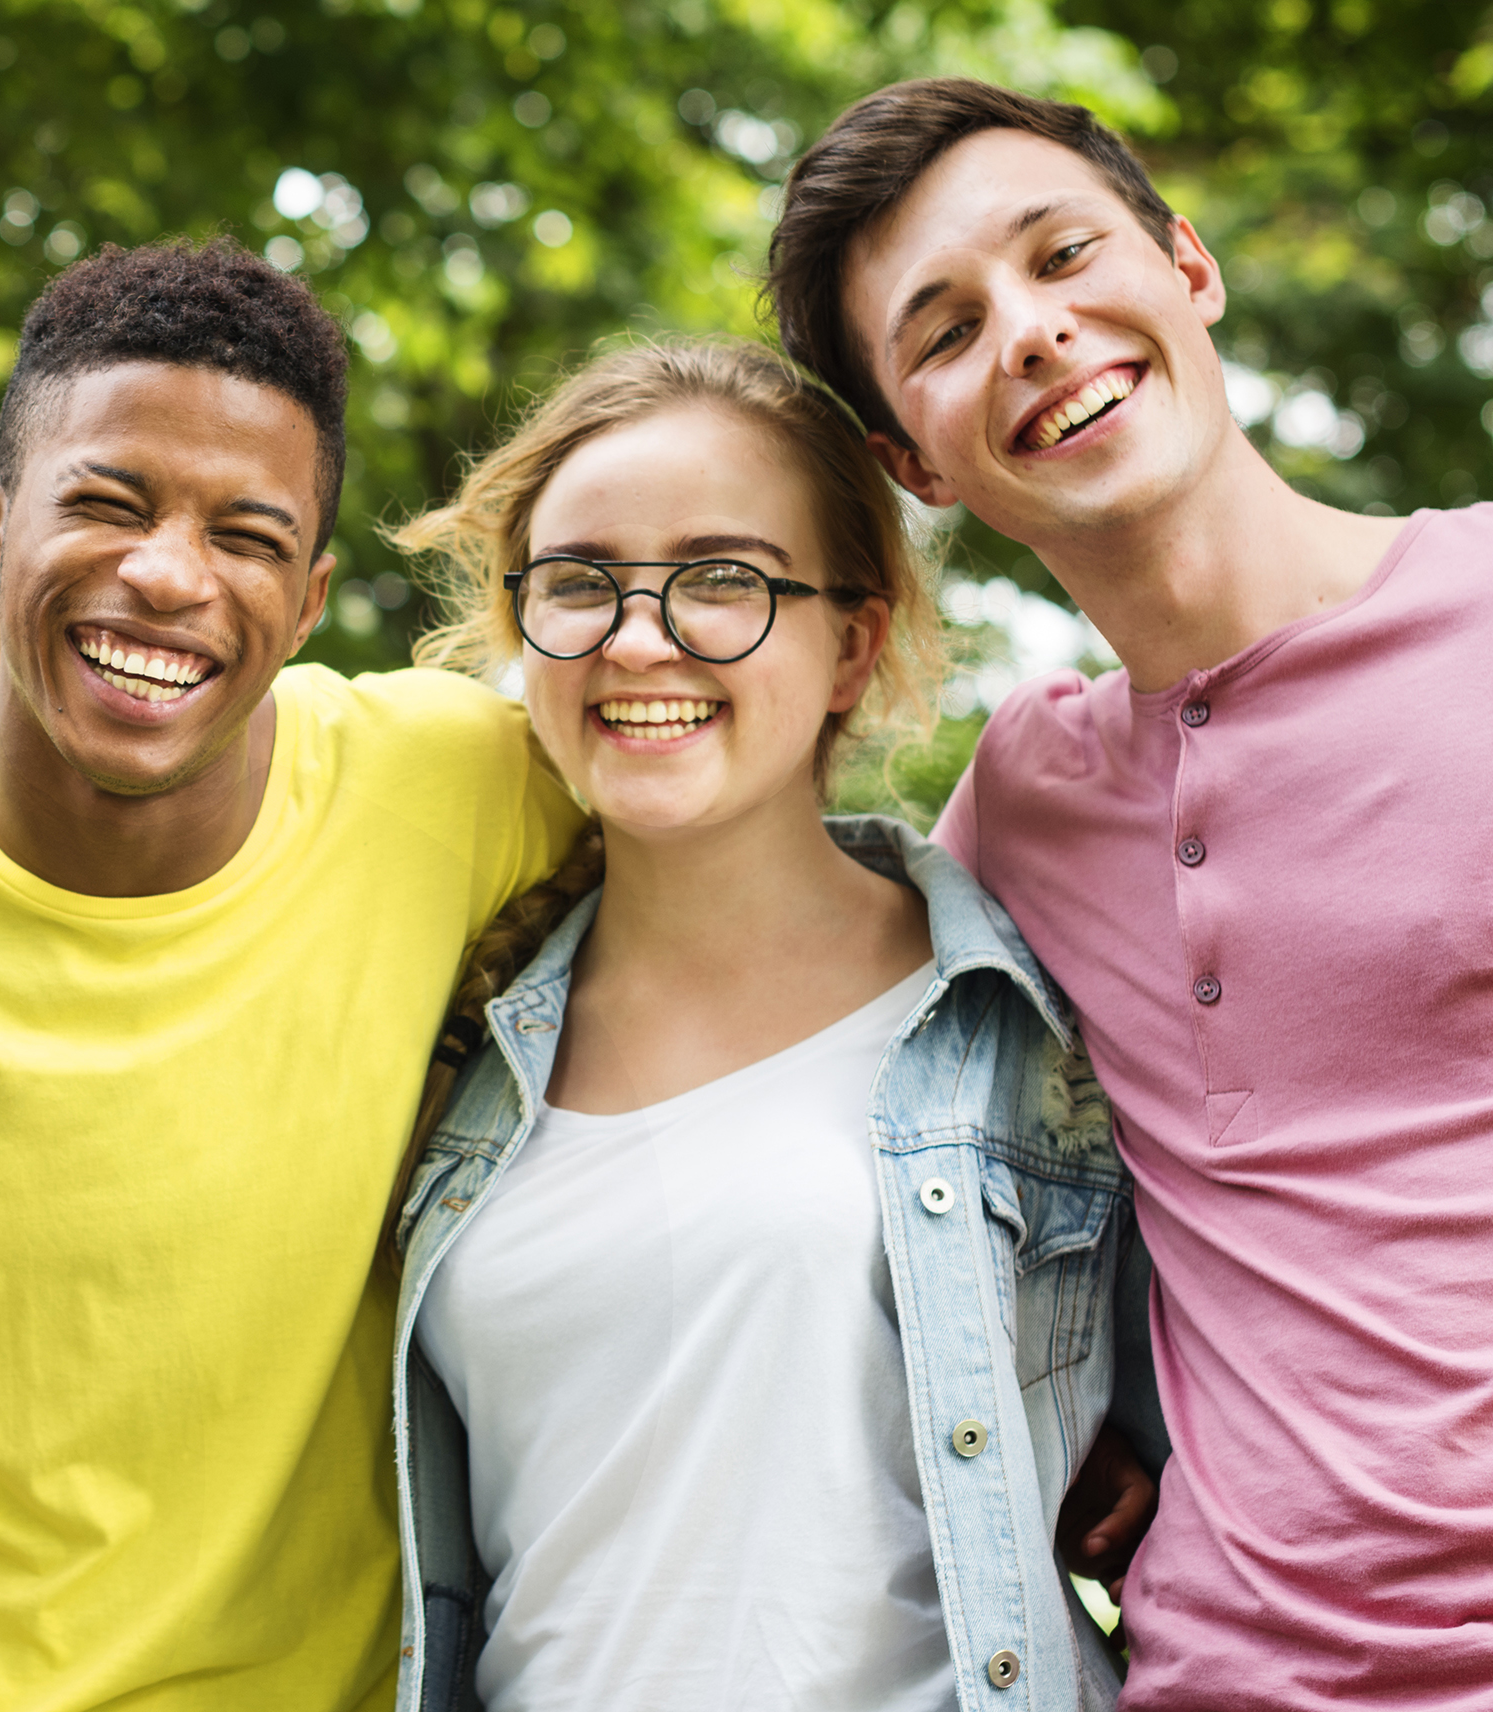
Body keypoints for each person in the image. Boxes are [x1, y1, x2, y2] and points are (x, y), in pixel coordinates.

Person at [767, 77, 1493, 1708]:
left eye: (1064, 256)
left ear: (1187, 266)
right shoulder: (1018, 815)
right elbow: (874, 1203)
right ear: (917, 460)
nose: (1031, 331)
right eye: (948, 329)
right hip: (1224, 1679)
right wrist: (1091, 1409)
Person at [0, 238, 584, 1709]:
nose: (168, 576)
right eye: (107, 503)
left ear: (306, 605)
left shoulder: (462, 781)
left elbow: (767, 874)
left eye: (244, 536)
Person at [382, 335, 1136, 1712]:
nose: (635, 636)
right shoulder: (449, 1048)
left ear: (851, 644)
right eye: (582, 582)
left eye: (723, 580)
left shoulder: (1027, 1021)